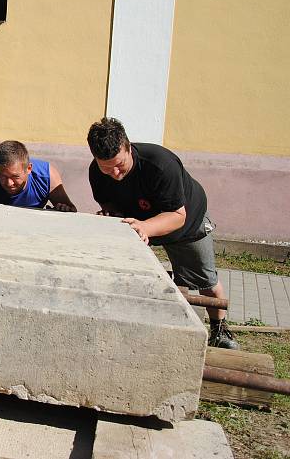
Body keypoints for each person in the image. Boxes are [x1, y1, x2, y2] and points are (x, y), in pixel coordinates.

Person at [86, 117, 238, 349]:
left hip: (187, 226)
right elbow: (110, 206)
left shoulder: (160, 164)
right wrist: (110, 217)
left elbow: (178, 215)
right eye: (106, 167)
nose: (114, 173)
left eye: (119, 165)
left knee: (206, 280)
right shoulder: (96, 173)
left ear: (128, 147)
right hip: (138, 227)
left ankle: (220, 329)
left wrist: (145, 227)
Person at [0, 140, 77, 221]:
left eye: (15, 177)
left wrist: (62, 210)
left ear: (29, 169)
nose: (9, 183)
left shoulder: (47, 178)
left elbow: (72, 211)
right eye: (2, 176)